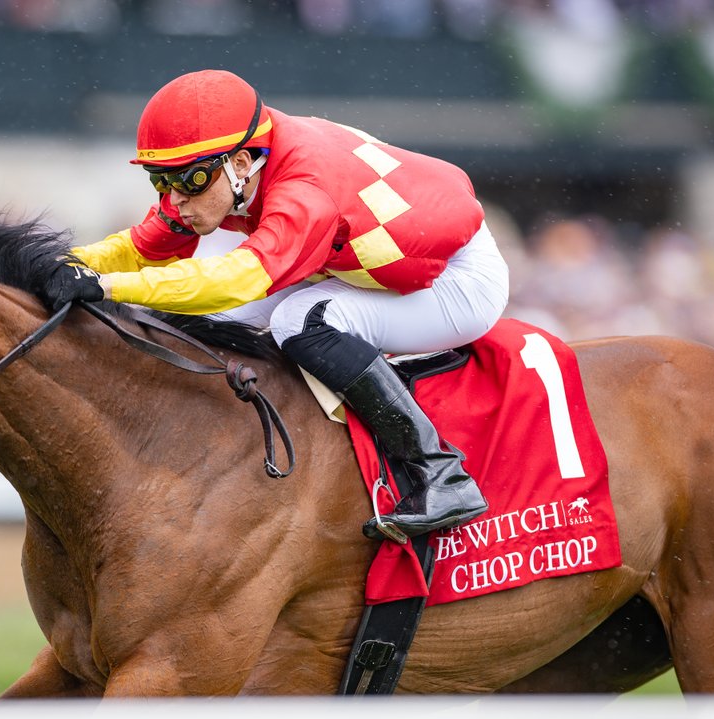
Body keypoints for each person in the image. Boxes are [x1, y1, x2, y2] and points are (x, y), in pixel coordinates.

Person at [41, 69, 508, 540]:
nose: (175, 199)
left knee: (298, 320)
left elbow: (235, 280)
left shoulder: (303, 188)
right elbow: (140, 247)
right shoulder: (229, 168)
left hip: (456, 279)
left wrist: (108, 287)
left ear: (241, 163)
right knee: (189, 320)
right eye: (161, 181)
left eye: (190, 181)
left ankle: (442, 473)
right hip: (353, 263)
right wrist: (59, 264)